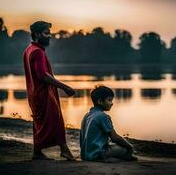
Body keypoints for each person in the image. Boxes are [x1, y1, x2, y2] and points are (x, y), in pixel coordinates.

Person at [23, 21, 75, 160]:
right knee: (56, 120)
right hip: (42, 94)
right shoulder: (37, 52)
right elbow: (43, 75)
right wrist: (65, 87)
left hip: (33, 94)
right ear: (38, 34)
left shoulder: (28, 50)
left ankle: (37, 152)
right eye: (46, 33)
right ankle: (64, 150)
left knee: (38, 123)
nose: (50, 36)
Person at [80, 86, 137, 162]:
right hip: (98, 154)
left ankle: (111, 157)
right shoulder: (103, 116)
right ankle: (116, 158)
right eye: (109, 100)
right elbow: (115, 138)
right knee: (125, 148)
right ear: (100, 101)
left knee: (118, 145)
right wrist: (130, 147)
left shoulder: (87, 115)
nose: (112, 103)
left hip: (85, 155)